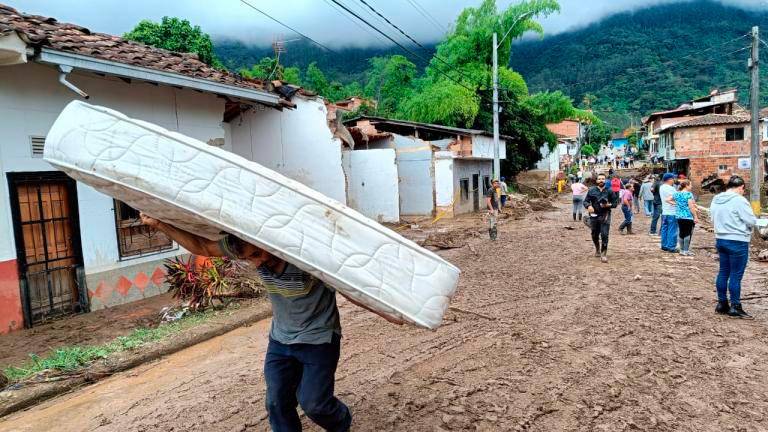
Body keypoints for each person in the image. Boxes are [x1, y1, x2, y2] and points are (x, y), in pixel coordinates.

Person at [137, 214, 400, 431]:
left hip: (318, 339)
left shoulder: (305, 257)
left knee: (314, 404)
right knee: (276, 402)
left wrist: (387, 312)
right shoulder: (243, 246)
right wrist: (160, 225)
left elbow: (349, 290)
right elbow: (203, 247)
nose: (257, 261)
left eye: (258, 253)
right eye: (250, 257)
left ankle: (341, 422)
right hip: (281, 340)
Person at [711, 176, 756, 318]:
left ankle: (722, 303)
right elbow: (750, 220)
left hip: (721, 239)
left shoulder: (716, 199)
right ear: (741, 187)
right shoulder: (740, 200)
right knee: (736, 275)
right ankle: (735, 306)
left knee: (723, 272)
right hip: (737, 240)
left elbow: (712, 217)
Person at [584, 173, 619, 263]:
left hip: (605, 214)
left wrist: (608, 205)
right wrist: (588, 206)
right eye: (599, 179)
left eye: (603, 179)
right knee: (594, 234)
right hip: (594, 215)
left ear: (605, 180)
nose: (601, 180)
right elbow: (585, 201)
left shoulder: (610, 191)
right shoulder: (591, 190)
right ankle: (597, 249)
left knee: (604, 234)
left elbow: (615, 203)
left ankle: (604, 254)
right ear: (596, 181)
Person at [668, 179, 699, 256]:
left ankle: (681, 250)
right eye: (690, 185)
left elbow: (667, 199)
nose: (691, 186)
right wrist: (695, 216)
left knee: (681, 233)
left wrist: (676, 204)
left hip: (679, 216)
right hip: (688, 216)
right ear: (686, 186)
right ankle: (686, 250)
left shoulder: (677, 194)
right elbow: (691, 206)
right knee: (687, 234)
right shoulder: (688, 194)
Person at [659, 173, 679, 252]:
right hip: (672, 211)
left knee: (664, 229)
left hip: (665, 211)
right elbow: (676, 198)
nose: (674, 180)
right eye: (673, 178)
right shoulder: (671, 189)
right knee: (672, 230)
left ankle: (664, 245)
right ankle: (671, 246)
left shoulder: (662, 187)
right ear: (669, 179)